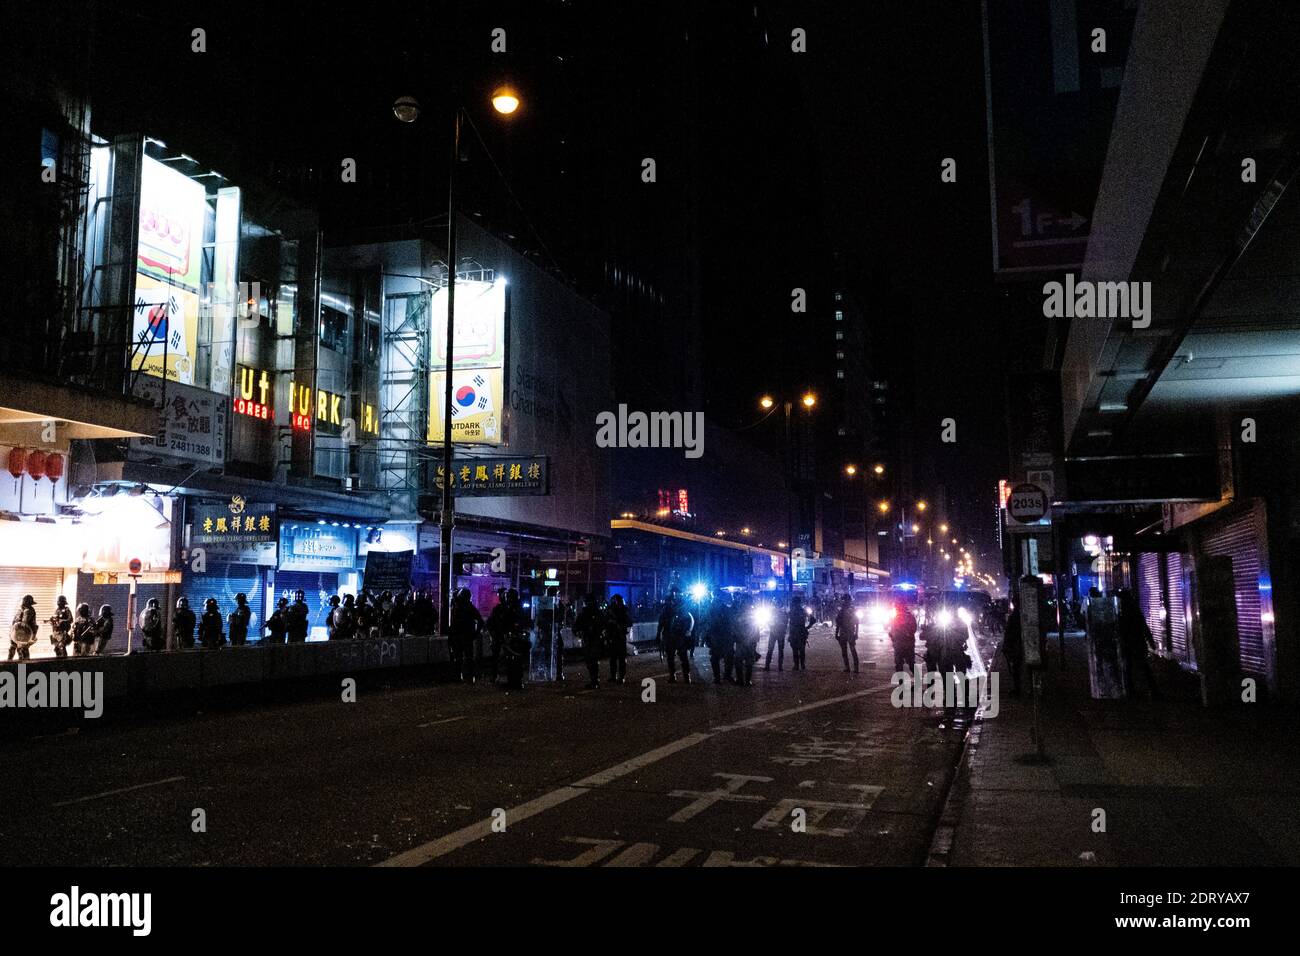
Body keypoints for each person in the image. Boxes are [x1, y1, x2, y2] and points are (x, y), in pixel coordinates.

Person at [1117, 588, 1160, 699]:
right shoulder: (1134, 610)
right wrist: (1151, 642)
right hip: (1137, 643)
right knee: (1143, 667)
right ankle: (1152, 689)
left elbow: (1120, 629)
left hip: (1129, 644)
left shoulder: (1122, 612)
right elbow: (1144, 627)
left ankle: (1131, 691)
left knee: (1129, 668)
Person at [657, 589, 695, 683]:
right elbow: (661, 622)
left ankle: (684, 677)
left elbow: (689, 620)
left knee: (681, 657)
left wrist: (687, 632)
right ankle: (677, 677)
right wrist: (658, 634)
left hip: (678, 636)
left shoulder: (681, 608)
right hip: (672, 636)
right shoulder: (669, 609)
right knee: (673, 657)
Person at [449, 588, 484, 683]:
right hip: (465, 636)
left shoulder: (460, 608)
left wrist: (475, 634)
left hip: (462, 636)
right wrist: (475, 634)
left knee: (460, 658)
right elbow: (480, 622)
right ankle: (467, 677)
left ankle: (461, 677)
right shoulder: (467, 608)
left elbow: (480, 622)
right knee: (465, 658)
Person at [501, 589, 531, 691]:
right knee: (513, 660)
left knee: (516, 660)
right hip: (513, 637)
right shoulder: (511, 607)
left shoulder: (515, 608)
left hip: (516, 638)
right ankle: (514, 681)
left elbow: (524, 622)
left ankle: (516, 681)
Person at [574, 593, 606, 689]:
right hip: (588, 639)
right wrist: (578, 632)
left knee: (592, 660)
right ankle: (594, 680)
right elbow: (576, 627)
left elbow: (603, 625)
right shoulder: (585, 614)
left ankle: (594, 681)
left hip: (594, 639)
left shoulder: (597, 613)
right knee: (590, 661)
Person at [706, 595, 736, 684]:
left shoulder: (716, 609)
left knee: (725, 657)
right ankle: (721, 676)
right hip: (719, 637)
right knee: (721, 658)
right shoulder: (715, 609)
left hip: (721, 637)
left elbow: (708, 624)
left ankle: (721, 677)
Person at [732, 597, 760, 687]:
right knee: (748, 662)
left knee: (739, 661)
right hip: (749, 641)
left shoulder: (739, 613)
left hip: (742, 641)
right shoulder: (753, 614)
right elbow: (756, 629)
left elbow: (735, 627)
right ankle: (747, 681)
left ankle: (741, 680)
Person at [605, 594, 633, 684]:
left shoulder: (623, 612)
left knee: (621, 658)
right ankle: (613, 676)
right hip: (612, 637)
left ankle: (621, 677)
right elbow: (605, 622)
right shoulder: (610, 611)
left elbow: (629, 622)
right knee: (613, 658)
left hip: (620, 637)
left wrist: (619, 624)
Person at [485, 589, 511, 684]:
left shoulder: (500, 609)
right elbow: (490, 623)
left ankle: (496, 675)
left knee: (497, 657)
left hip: (504, 636)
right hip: (501, 636)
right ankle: (496, 675)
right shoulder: (501, 609)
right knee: (498, 657)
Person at [888, 602, 919, 677]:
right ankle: (908, 682)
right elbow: (892, 631)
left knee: (902, 664)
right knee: (908, 663)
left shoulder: (905, 617)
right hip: (904, 644)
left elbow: (913, 629)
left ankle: (903, 683)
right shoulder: (906, 617)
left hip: (904, 644)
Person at [784, 596, 814, 672]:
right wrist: (807, 627)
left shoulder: (792, 611)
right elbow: (813, 620)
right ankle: (801, 665)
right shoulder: (802, 611)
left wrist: (807, 627)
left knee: (796, 650)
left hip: (796, 632)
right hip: (799, 632)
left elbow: (785, 621)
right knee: (800, 650)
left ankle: (798, 665)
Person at [1000, 605, 1023, 697]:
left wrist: (1007, 645)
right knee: (1016, 668)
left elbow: (1009, 633)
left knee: (1016, 668)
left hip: (1015, 645)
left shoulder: (1014, 616)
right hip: (1017, 644)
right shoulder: (1019, 615)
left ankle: (1018, 690)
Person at [834, 594, 860, 674]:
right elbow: (839, 623)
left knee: (850, 650)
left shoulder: (849, 610)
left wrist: (856, 633)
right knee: (847, 651)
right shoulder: (847, 610)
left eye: (845, 600)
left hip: (848, 632)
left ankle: (852, 668)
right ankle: (850, 668)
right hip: (846, 632)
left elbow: (856, 622)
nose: (844, 602)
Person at [9, 594, 37, 661]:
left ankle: (24, 668)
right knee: (15, 648)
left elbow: (24, 622)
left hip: (24, 633)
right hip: (17, 632)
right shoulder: (22, 609)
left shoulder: (28, 610)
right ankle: (9, 665)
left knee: (22, 650)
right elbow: (15, 620)